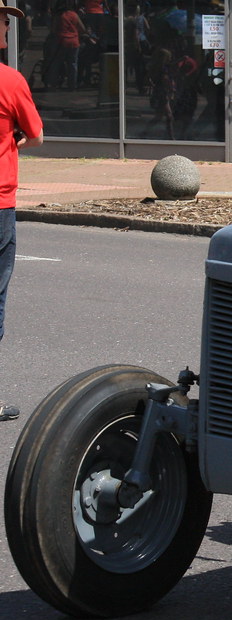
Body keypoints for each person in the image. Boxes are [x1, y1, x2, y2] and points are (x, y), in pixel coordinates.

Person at [1, 0, 45, 421]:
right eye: (2, 21)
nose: (7, 29)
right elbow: (36, 136)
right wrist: (11, 142)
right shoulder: (9, 80)